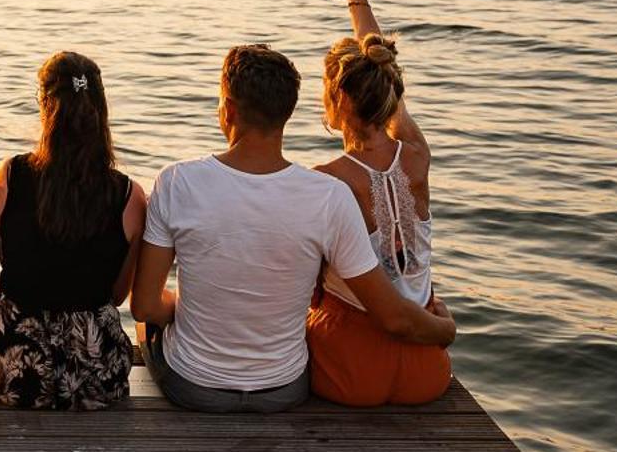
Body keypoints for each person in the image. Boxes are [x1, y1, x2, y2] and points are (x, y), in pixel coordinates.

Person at [131, 43, 455, 413]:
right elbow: (391, 313)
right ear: (287, 113)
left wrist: (188, 308)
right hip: (284, 389)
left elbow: (143, 305)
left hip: (194, 387)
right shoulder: (328, 195)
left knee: (147, 325)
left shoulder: (176, 181)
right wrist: (445, 329)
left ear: (228, 110)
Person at [305, 0, 452, 405]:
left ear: (335, 104)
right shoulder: (417, 156)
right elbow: (380, 67)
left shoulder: (325, 182)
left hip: (351, 366)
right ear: (388, 93)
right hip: (426, 367)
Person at [0, 51, 147, 410]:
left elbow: (10, 262)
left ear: (44, 105)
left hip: (15, 366)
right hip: (95, 372)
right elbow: (116, 296)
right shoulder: (129, 195)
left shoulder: (11, 175)